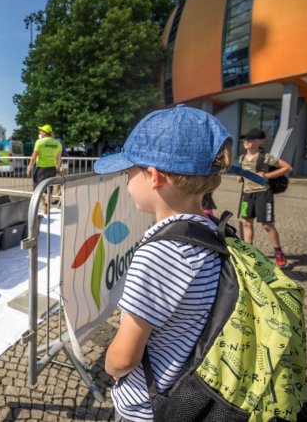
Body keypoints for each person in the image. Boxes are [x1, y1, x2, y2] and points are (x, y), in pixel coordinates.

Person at [93, 105, 248, 421]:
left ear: (154, 176)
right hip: (188, 388)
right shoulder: (210, 230)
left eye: (127, 173)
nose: (125, 182)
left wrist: (109, 366)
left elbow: (123, 358)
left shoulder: (159, 253)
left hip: (149, 407)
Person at [236, 127, 292, 268]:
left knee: (267, 225)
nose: (246, 140)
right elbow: (242, 174)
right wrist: (240, 177)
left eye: (251, 138)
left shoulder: (265, 157)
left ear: (260, 141)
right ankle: (249, 254)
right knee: (246, 223)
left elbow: (287, 167)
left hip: (263, 193)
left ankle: (279, 253)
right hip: (247, 194)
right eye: (246, 138)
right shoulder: (242, 158)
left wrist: (267, 175)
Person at [26, 124, 62, 213]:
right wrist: (58, 167)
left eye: (41, 131)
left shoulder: (39, 142)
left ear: (45, 133)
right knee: (49, 189)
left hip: (41, 169)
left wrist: (29, 167)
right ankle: (47, 208)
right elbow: (59, 158)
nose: (39, 132)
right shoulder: (57, 143)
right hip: (52, 168)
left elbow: (34, 156)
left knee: (37, 189)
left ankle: (35, 209)